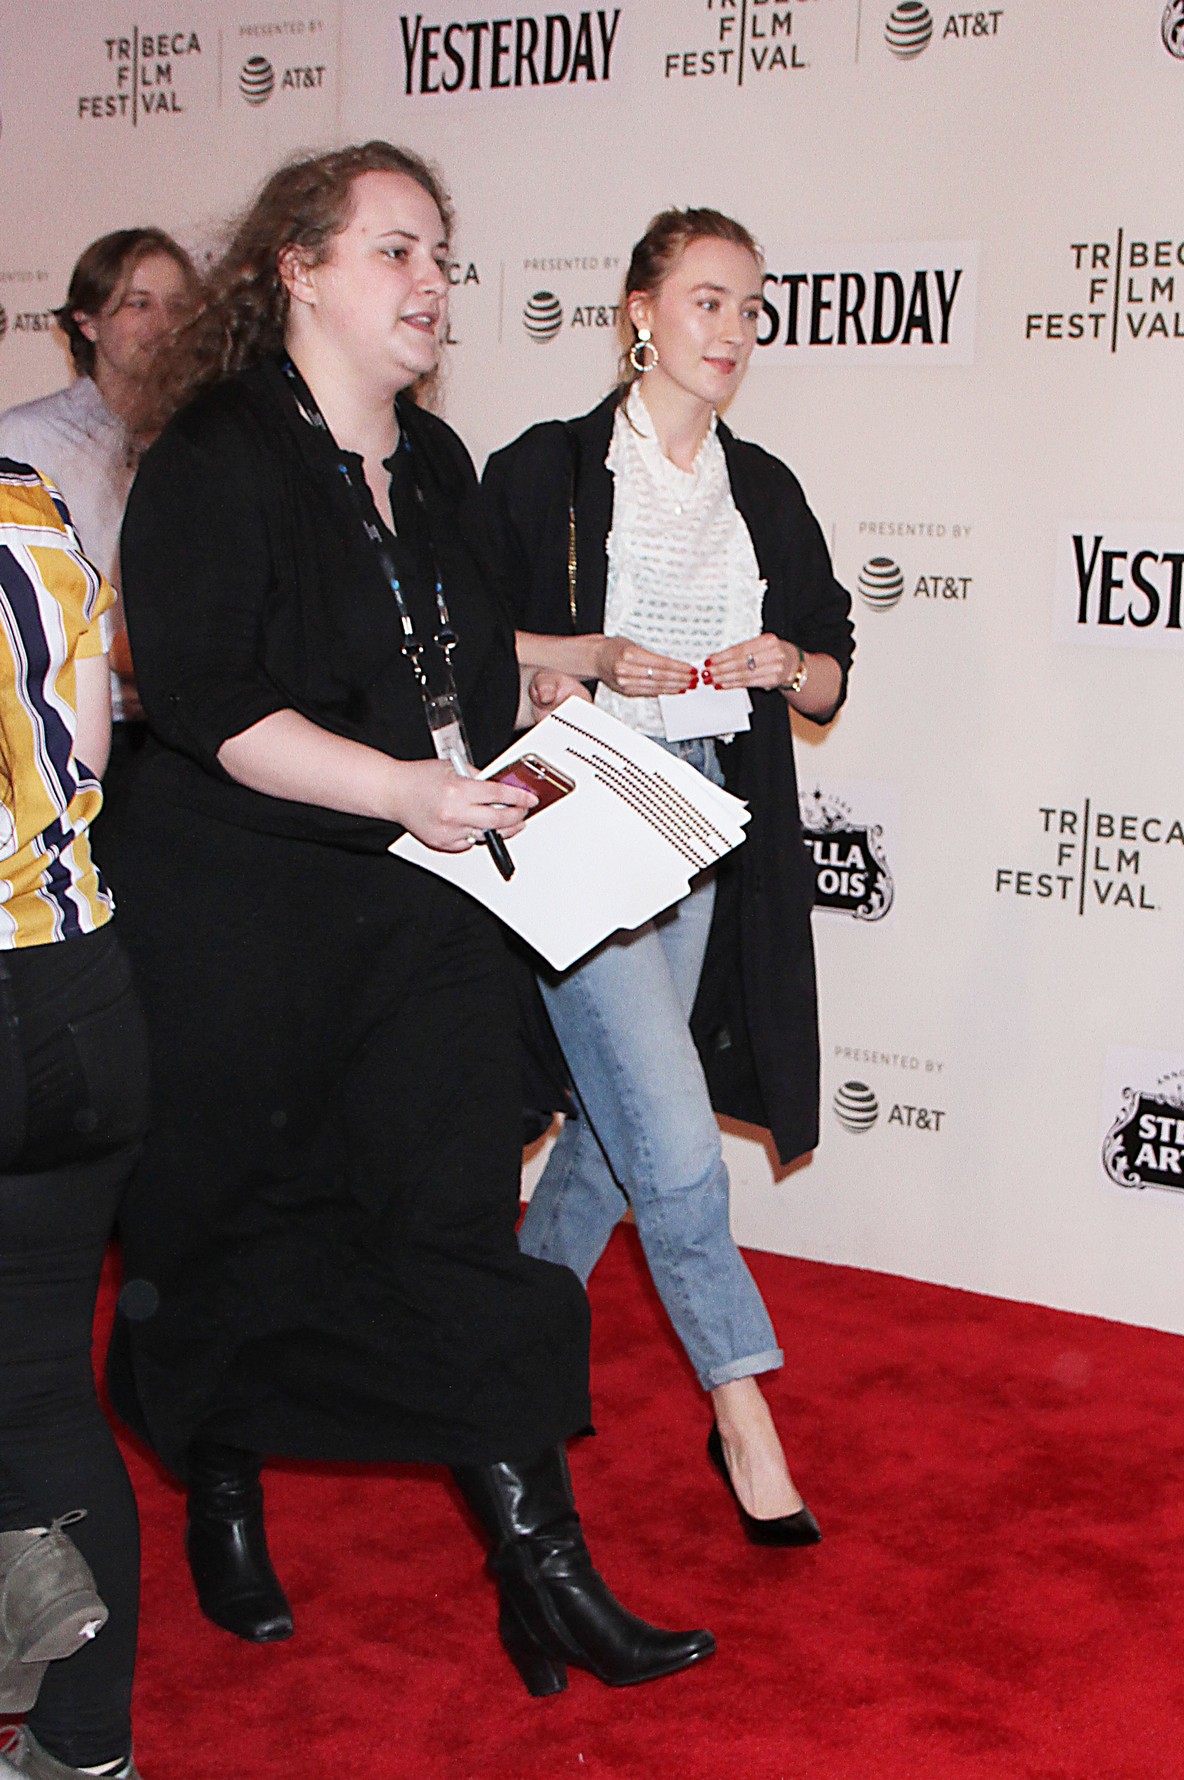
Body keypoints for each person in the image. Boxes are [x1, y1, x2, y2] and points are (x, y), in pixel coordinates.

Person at [104, 142, 714, 1698]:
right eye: (395, 251)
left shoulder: (433, 465)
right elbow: (209, 699)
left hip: (418, 898)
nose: (433, 281)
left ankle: (541, 1568)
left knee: (451, 1222)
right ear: (297, 270)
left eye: (441, 253)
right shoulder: (215, 455)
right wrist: (401, 785)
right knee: (236, 1221)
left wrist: (553, 675)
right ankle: (222, 1488)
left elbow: (440, 653)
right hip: (238, 917)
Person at [478, 207, 854, 1544]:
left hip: (704, 839)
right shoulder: (548, 470)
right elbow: (467, 639)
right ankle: (743, 1405)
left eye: (750, 307)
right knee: (679, 1144)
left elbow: (827, 664)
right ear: (638, 311)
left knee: (608, 1133)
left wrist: (781, 665)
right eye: (706, 302)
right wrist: (584, 654)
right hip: (578, 834)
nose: (733, 332)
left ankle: (489, 1379)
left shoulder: (766, 490)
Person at [0, 458, 149, 1778]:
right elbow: (92, 746)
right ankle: (82, 1749)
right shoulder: (32, 506)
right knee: (43, 1382)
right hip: (81, 992)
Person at [0, 230, 201, 810]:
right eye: (139, 304)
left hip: (187, 743)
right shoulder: (29, 441)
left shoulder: (212, 444)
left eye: (179, 307)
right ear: (87, 322)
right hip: (62, 738)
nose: (164, 325)